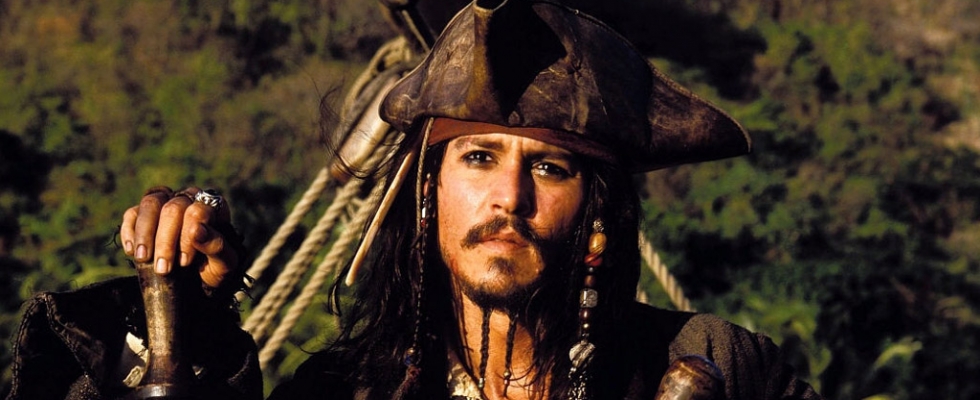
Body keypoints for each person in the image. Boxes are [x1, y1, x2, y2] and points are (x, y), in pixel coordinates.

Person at [7, 0, 823, 399]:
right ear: (427, 192)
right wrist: (188, 322)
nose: (508, 197)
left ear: (599, 211)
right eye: (479, 157)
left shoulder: (715, 364)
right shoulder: (340, 393)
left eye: (550, 168)